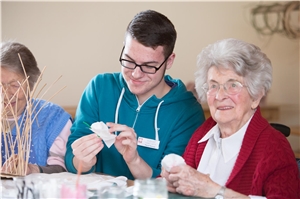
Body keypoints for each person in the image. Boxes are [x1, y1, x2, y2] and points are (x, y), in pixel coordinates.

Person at [65, 10, 205, 180]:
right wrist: (82, 161)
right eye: (129, 61)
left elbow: (172, 184)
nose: (136, 74)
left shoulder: (187, 111)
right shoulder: (99, 88)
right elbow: (72, 158)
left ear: (169, 61)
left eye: (148, 66)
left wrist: (134, 160)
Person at [161, 38, 300, 198]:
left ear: (256, 95)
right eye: (213, 85)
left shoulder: (276, 148)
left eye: (233, 85)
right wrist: (172, 181)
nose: (220, 96)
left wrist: (215, 191)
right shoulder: (202, 136)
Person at [0, 41, 72, 175]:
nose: (5, 94)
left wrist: (33, 169)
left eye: (15, 85)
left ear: (31, 84)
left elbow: (65, 169)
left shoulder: (53, 118)